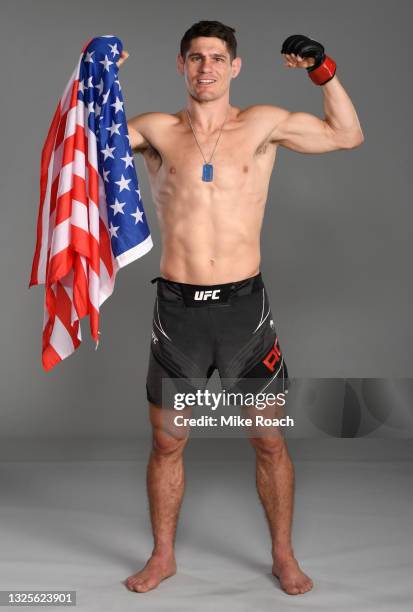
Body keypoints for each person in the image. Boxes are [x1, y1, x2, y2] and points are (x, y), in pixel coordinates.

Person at [121, 21, 364, 595]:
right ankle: (163, 557)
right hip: (177, 312)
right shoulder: (155, 129)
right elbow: (76, 145)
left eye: (217, 58)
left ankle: (283, 556)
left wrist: (322, 71)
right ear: (181, 66)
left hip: (243, 312)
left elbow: (347, 135)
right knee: (166, 442)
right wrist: (97, 76)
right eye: (196, 57)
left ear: (235, 67)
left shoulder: (261, 125)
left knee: (269, 439)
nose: (206, 67)